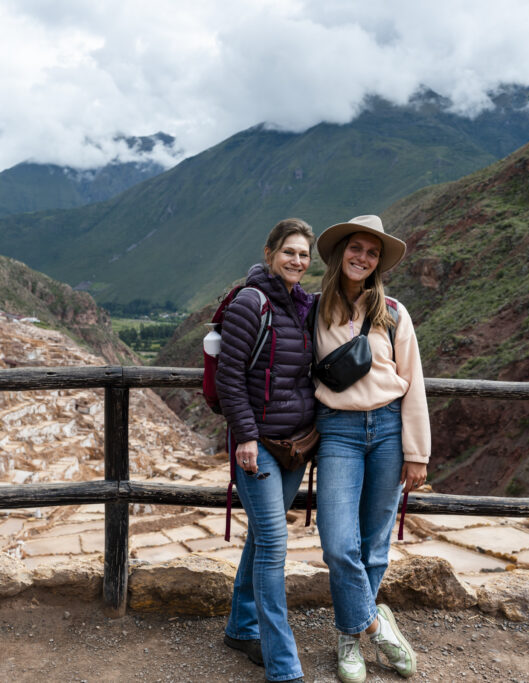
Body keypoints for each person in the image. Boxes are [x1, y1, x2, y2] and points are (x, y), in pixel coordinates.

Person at [312, 215, 430, 682]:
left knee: (375, 543)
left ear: (379, 262)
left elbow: (413, 382)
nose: (362, 257)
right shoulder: (314, 310)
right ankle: (376, 625)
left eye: (372, 252)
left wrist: (416, 452)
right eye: (356, 248)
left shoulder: (395, 314)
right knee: (340, 544)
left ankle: (348, 637)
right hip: (337, 430)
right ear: (341, 252)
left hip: (386, 429)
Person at [216, 218, 316, 683]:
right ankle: (282, 663)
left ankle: (240, 628)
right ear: (270, 252)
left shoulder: (303, 307)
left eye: (304, 255)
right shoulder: (248, 303)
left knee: (261, 538)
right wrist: (248, 437)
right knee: (275, 543)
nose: (297, 261)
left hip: (295, 447)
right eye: (289, 252)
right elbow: (229, 377)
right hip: (259, 447)